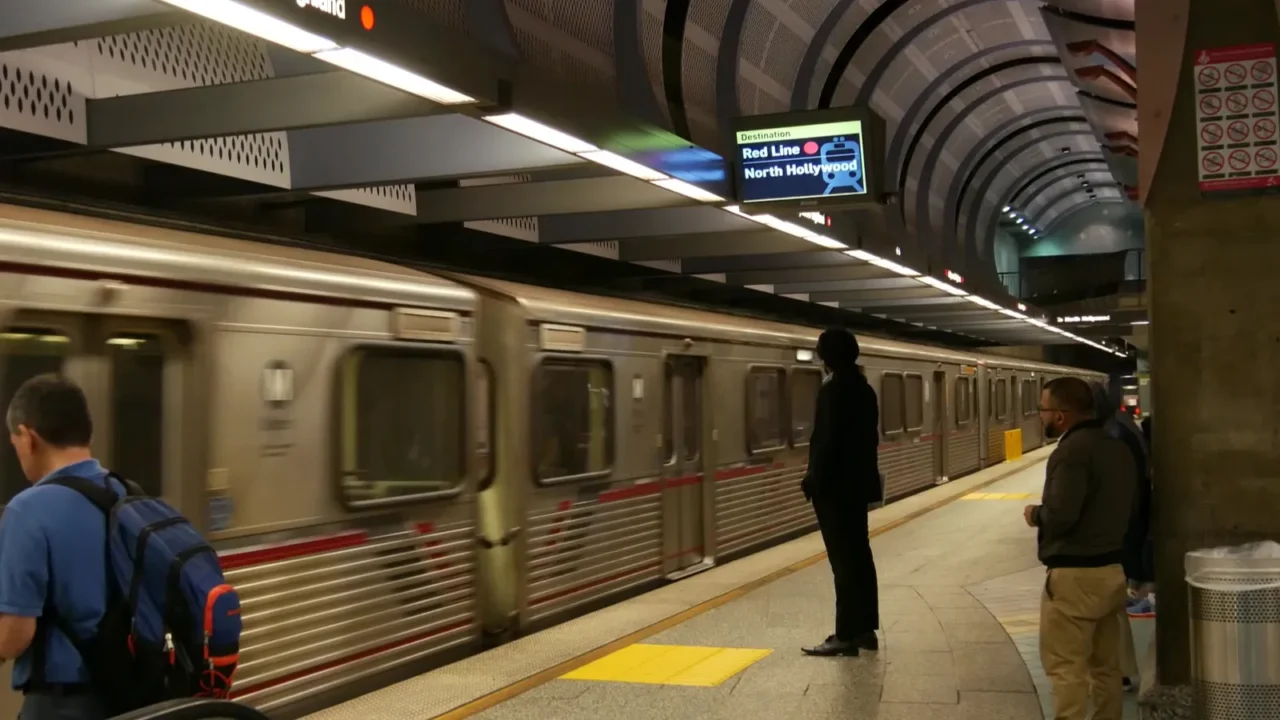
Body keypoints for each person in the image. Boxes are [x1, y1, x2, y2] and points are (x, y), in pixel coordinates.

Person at [0, 374, 124, 720]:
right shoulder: (128, 493)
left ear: (28, 438)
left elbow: (14, 635)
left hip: (62, 704)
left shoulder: (27, 510)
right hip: (131, 692)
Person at [1025, 377, 1136, 720]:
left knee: (1066, 669)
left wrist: (1036, 515)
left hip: (1074, 578)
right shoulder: (1117, 447)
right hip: (1111, 571)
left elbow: (1061, 514)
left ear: (1060, 416)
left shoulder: (1070, 452)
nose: (1040, 416)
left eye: (1042, 409)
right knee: (1106, 668)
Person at [800, 327, 882, 657]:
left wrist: (813, 481)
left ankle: (845, 634)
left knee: (843, 563)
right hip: (858, 487)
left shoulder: (832, 390)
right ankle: (865, 629)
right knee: (860, 557)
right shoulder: (865, 389)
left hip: (835, 490)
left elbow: (826, 442)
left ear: (827, 356)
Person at [1089, 382, 1151, 691]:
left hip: (1114, 537)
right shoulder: (1121, 429)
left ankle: (1119, 674)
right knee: (1110, 608)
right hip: (1123, 533)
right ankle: (1118, 672)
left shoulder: (1113, 437)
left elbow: (1118, 494)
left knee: (1108, 609)